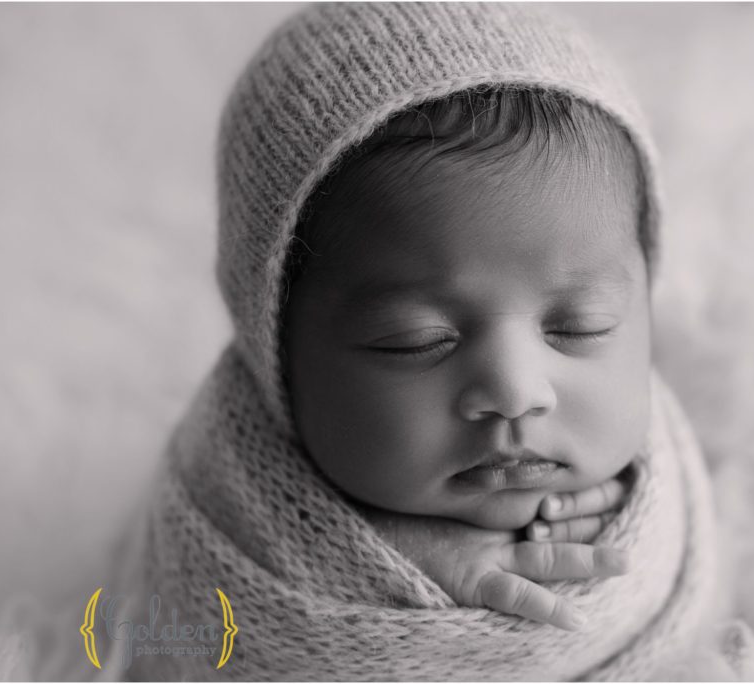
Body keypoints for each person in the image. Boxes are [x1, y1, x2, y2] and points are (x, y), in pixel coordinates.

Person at [133, 4, 716, 680]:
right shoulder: (224, 506)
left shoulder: (662, 485)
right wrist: (395, 560)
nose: (514, 392)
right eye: (416, 341)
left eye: (580, 326)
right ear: (275, 358)